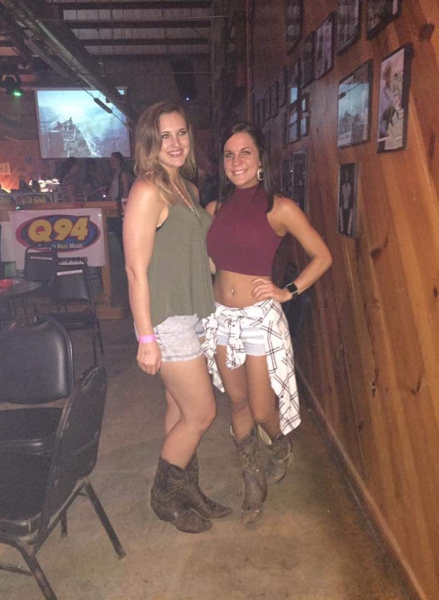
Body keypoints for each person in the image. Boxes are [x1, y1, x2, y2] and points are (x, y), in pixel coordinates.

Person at [204, 122, 332, 524]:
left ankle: (280, 444)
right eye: (229, 154)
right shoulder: (214, 209)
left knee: (261, 409)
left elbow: (322, 256)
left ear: (260, 159)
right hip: (222, 318)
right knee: (237, 402)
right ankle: (252, 479)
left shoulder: (280, 207)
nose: (236, 161)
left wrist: (287, 291)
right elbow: (211, 264)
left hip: (259, 318)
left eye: (245, 152)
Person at [123, 102, 231, 534]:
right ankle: (164, 496)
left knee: (180, 407)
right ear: (150, 141)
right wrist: (146, 338)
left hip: (192, 310)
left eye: (181, 133)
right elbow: (135, 269)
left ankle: (187, 488)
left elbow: (198, 253)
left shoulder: (184, 186)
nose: (175, 143)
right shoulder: (148, 190)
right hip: (166, 320)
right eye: (165, 135)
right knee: (202, 413)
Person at [107, 152, 133, 251]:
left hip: (120, 203)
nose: (111, 163)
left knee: (119, 227)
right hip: (114, 203)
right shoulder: (115, 174)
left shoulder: (123, 174)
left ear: (119, 161)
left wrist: (123, 205)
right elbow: (111, 189)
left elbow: (125, 191)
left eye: (113, 160)